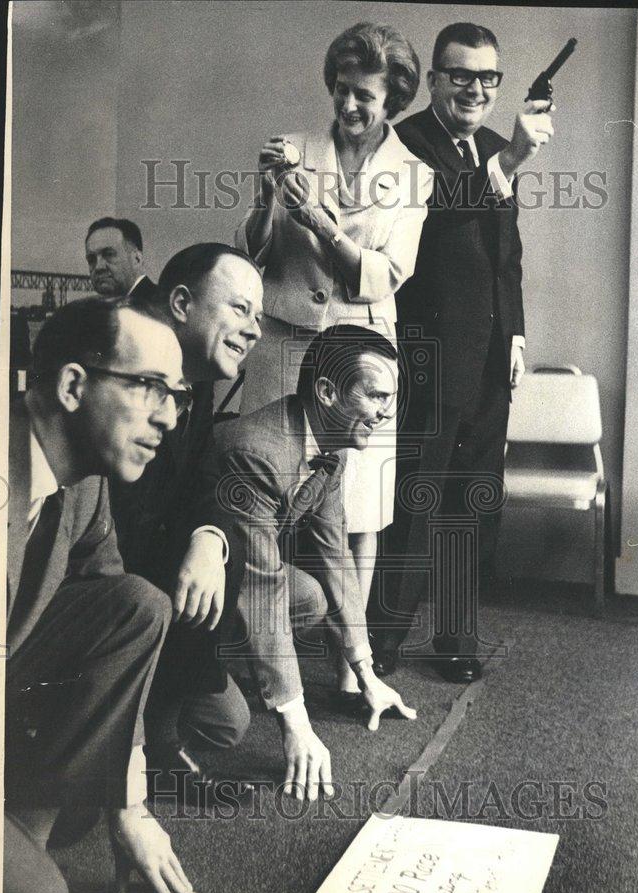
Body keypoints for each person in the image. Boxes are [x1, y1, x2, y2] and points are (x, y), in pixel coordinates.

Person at [235, 21, 432, 688]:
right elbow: (253, 255)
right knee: (268, 497)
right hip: (285, 341)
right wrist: (266, 200)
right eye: (344, 91)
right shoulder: (292, 148)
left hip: (361, 357)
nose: (350, 106)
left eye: (367, 98)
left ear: (393, 101)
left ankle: (356, 663)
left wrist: (317, 219)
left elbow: (377, 277)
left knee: (359, 507)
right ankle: (262, 655)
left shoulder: (414, 175)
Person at [3, 296, 201, 893]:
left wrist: (130, 806)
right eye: (150, 388)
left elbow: (120, 620)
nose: (169, 416)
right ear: (71, 385)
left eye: (176, 395)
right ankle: (28, 881)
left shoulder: (82, 481)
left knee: (138, 604)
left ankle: (24, 849)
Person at [374, 22, 555, 683]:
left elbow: (507, 256)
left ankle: (454, 641)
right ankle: (381, 644)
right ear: (433, 80)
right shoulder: (403, 143)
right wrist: (507, 164)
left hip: (487, 361)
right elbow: (439, 207)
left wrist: (515, 334)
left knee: (470, 505)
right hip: (427, 355)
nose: (475, 90)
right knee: (413, 502)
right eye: (461, 76)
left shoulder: (493, 146)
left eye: (488, 78)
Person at [217, 327, 416, 802]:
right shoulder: (258, 450)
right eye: (375, 396)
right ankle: (193, 663)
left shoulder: (331, 445)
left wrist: (367, 674)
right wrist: (296, 722)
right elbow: (261, 590)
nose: (387, 412)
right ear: (327, 392)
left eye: (391, 397)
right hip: (180, 577)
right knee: (226, 726)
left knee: (310, 595)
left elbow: (337, 556)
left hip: (232, 575)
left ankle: (227, 657)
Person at [108, 244, 264, 794]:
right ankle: (140, 744)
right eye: (241, 310)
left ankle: (156, 730)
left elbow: (205, 483)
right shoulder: (122, 363)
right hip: (90, 583)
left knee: (228, 726)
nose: (255, 331)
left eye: (259, 318)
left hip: (144, 572)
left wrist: (207, 539)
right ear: (180, 302)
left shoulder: (193, 373)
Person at [85, 216, 156, 299]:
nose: (98, 267)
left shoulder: (163, 305)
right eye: (91, 260)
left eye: (109, 254)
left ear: (137, 259)